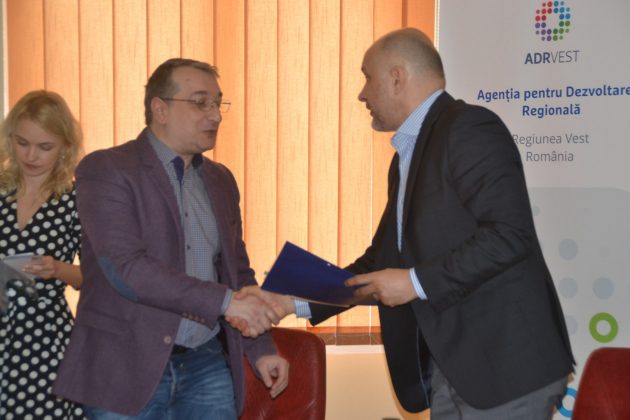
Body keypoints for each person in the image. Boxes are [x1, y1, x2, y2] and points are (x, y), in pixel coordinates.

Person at [233, 28, 575, 419]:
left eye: (367, 78)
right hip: (452, 369)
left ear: (396, 77)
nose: (362, 94)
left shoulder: (469, 128)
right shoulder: (406, 157)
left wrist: (414, 281)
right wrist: (290, 301)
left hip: (505, 367)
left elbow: (509, 235)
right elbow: (381, 264)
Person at [52, 58, 289, 419]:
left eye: (218, 103)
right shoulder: (107, 170)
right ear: (160, 109)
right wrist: (226, 302)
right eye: (200, 102)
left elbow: (237, 273)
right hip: (125, 366)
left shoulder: (221, 180)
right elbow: (128, 270)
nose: (216, 116)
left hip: (205, 363)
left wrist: (261, 349)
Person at [0, 90, 85, 419]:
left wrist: (58, 269)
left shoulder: (76, 200)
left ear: (65, 146)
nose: (31, 155)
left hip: (44, 340)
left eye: (44, 147)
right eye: (22, 143)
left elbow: (96, 277)